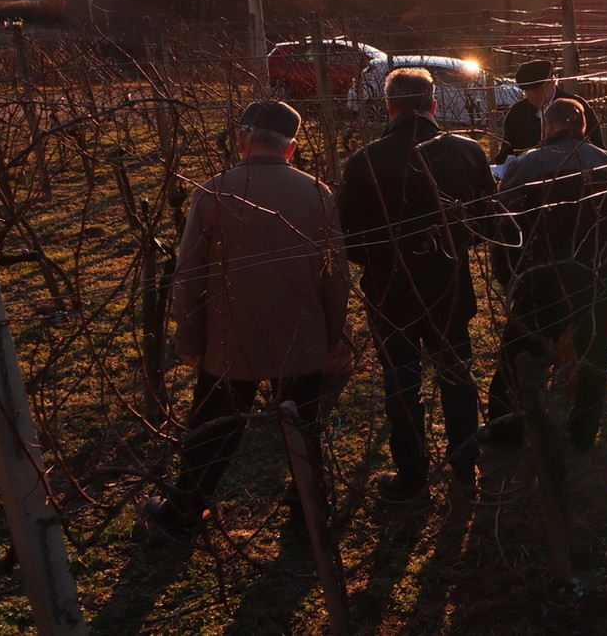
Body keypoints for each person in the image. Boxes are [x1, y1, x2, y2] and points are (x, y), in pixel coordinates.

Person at [147, 101, 349, 531]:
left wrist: (189, 340)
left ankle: (183, 512)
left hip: (229, 339)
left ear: (242, 139)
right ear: (291, 149)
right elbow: (336, 275)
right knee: (303, 429)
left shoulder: (213, 190)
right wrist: (329, 332)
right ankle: (309, 513)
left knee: (213, 428)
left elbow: (189, 275)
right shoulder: (318, 192)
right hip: (301, 335)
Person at [337, 67, 501, 502]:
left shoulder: (365, 161)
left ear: (389, 106)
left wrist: (388, 256)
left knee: (401, 383)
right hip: (449, 286)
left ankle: (411, 476)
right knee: (457, 375)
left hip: (390, 294)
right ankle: (465, 469)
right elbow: (487, 222)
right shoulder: (468, 151)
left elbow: (349, 241)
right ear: (433, 104)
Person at [487, 97, 607, 452]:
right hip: (596, 279)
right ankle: (584, 434)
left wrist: (508, 278)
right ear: (583, 128)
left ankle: (506, 427)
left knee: (516, 353)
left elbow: (505, 230)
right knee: (594, 357)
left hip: (540, 281)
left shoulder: (526, 166)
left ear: (550, 126)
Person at [494, 59, 605, 165]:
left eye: (537, 90)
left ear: (552, 82)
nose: (532, 95)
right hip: (530, 177)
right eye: (527, 91)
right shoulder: (517, 113)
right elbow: (507, 153)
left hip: (573, 174)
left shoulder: (575, 107)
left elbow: (596, 148)